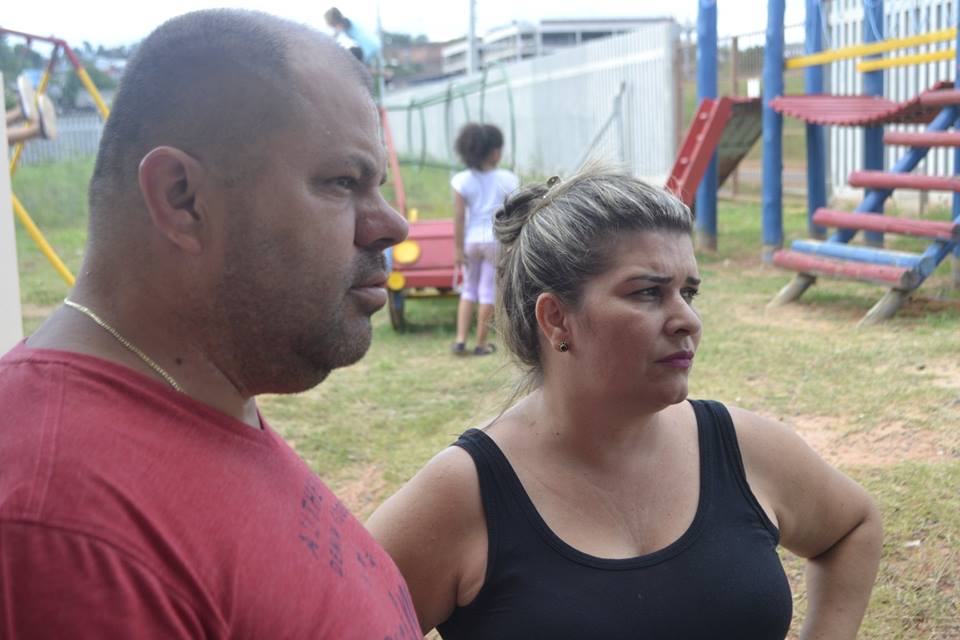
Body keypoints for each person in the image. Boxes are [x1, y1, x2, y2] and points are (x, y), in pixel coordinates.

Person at [0, 10, 420, 638]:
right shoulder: (66, 530)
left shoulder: (204, 396)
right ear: (181, 198)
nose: (392, 224)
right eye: (343, 182)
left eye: (377, 185)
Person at [367, 165, 882, 639]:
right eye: (647, 293)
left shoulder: (740, 448)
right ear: (556, 320)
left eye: (689, 292)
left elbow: (852, 527)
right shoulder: (466, 494)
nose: (687, 320)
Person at [450, 123, 518, 356]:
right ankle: (481, 343)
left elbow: (459, 217)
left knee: (468, 289)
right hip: (495, 240)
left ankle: (460, 340)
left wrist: (457, 249)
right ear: (495, 152)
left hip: (470, 241)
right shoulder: (508, 179)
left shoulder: (462, 180)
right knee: (488, 291)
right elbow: (513, 213)